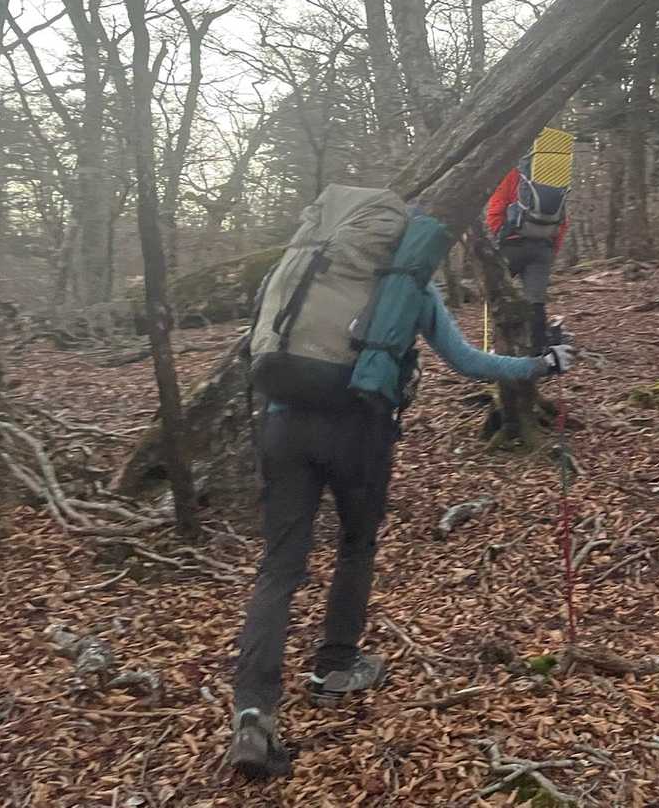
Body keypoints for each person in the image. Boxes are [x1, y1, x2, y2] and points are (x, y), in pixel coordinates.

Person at [228, 282, 574, 779]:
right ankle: (336, 666)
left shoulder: (307, 263)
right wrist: (542, 365)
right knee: (356, 546)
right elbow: (467, 361)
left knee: (279, 568)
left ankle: (253, 713)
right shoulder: (409, 279)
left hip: (283, 424)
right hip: (359, 429)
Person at [486, 167, 567, 353]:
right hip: (543, 247)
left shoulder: (512, 174)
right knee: (536, 301)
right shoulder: (554, 176)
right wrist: (552, 249)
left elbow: (496, 209)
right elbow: (563, 220)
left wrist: (500, 235)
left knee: (499, 295)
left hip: (512, 245)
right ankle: (538, 351)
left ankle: (501, 348)